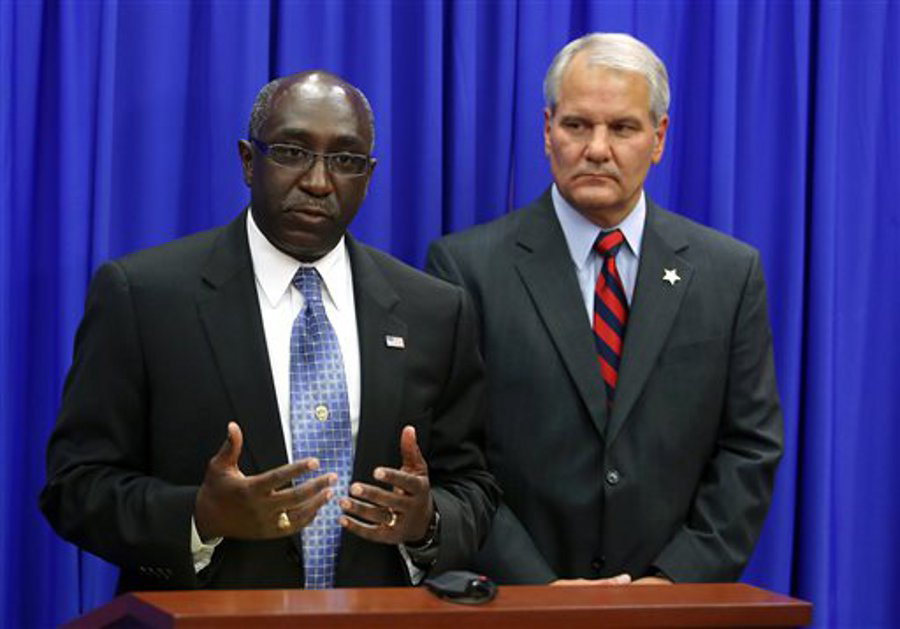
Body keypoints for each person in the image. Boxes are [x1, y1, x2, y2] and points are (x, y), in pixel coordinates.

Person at [40, 71, 498, 592]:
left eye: (345, 161)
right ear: (247, 161)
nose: (318, 182)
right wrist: (199, 517)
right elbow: (74, 488)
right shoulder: (144, 296)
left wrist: (428, 523)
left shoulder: (433, 311)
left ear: (369, 177)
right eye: (291, 151)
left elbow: (475, 486)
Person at [426, 33, 783, 585]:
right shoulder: (465, 268)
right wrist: (539, 590)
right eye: (576, 126)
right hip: (515, 605)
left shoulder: (728, 275)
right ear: (547, 131)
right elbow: (452, 456)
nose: (597, 148)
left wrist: (672, 582)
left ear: (658, 138)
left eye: (622, 128)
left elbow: (749, 448)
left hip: (672, 609)